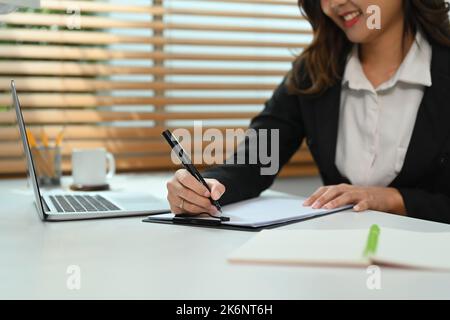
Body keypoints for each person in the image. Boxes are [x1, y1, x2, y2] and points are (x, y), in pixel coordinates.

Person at [166, 0, 450, 224]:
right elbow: (256, 160)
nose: (335, 3)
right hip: (340, 259)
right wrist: (207, 188)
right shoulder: (313, 72)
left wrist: (393, 199)